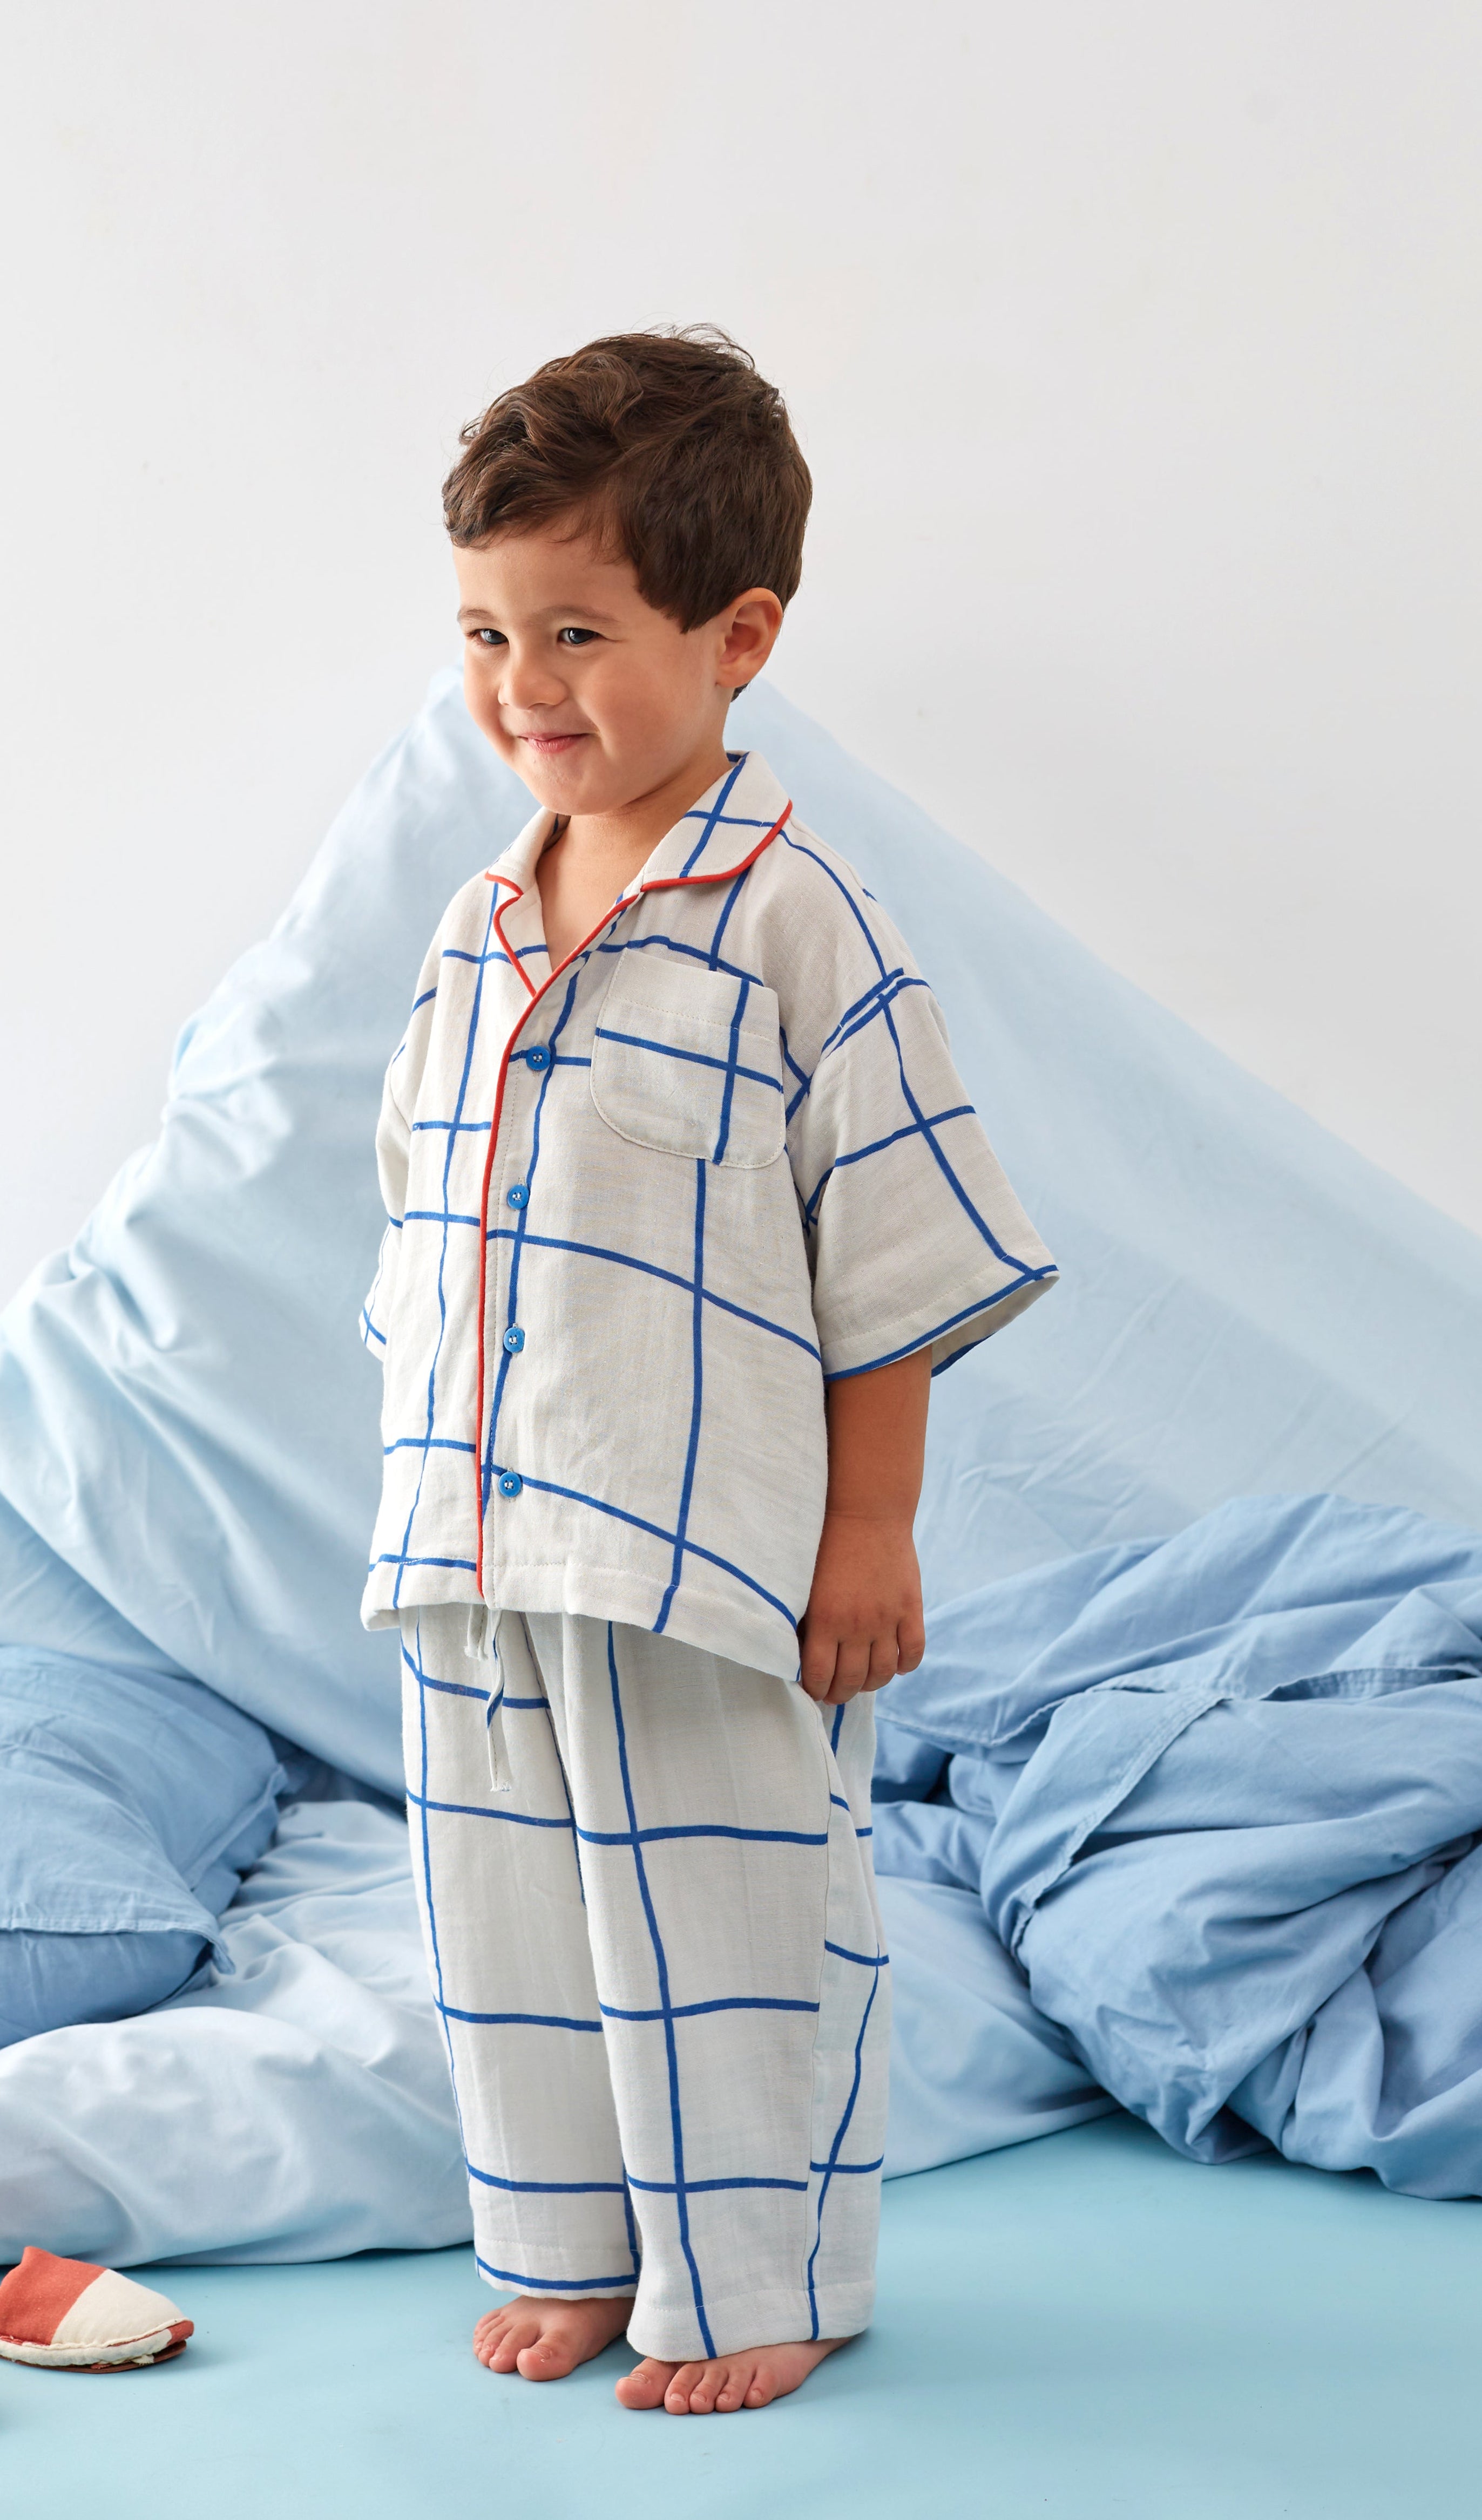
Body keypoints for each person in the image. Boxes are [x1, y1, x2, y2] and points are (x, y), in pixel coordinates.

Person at [360, 328, 1055, 2415]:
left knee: (728, 1933)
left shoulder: (796, 922)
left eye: (578, 633)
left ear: (737, 637)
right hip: (476, 1540)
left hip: (704, 1559)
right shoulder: (476, 927)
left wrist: (871, 1531)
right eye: (486, 633)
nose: (524, 684)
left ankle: (765, 2282)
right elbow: (419, 1217)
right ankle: (569, 2254)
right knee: (514, 1934)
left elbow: (891, 1257)